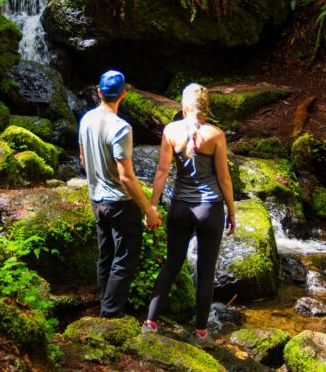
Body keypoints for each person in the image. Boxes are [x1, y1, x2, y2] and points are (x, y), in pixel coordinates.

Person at [142, 83, 235, 345]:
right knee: (206, 272)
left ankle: (150, 323)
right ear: (206, 106)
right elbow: (224, 178)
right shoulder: (216, 135)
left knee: (172, 264)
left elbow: (162, 171)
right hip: (209, 208)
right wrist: (232, 210)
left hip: (181, 206)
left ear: (183, 104)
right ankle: (201, 333)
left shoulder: (170, 131)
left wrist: (152, 206)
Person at [79, 69, 162, 318]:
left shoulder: (86, 119)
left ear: (99, 92)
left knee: (105, 255)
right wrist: (149, 210)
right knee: (125, 258)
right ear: (123, 94)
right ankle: (111, 312)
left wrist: (98, 179)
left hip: (96, 198)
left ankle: (104, 304)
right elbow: (126, 175)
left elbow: (83, 159)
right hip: (119, 202)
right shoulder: (121, 127)